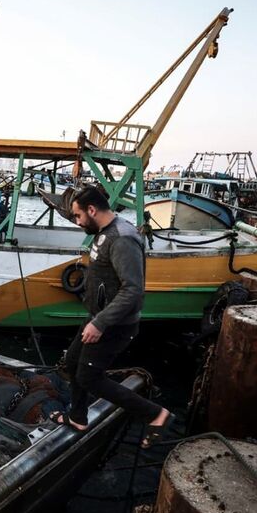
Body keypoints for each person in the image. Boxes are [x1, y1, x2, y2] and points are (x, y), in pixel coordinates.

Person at [59, 186, 172, 447]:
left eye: (77, 216)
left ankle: (157, 414)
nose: (77, 222)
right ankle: (77, 416)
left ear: (91, 210)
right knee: (73, 362)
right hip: (99, 316)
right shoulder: (104, 232)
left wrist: (100, 323)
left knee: (89, 377)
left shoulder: (122, 239)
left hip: (114, 325)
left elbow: (133, 289)